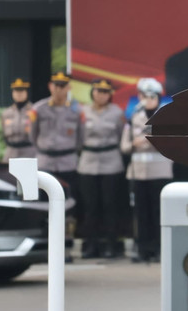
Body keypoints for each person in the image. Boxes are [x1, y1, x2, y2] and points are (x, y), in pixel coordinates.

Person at [120, 78, 172, 263]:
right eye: (143, 95)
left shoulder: (166, 116)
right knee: (141, 214)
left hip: (160, 172)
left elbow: (172, 145)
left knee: (159, 213)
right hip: (138, 173)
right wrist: (137, 142)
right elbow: (124, 147)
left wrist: (155, 140)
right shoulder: (133, 116)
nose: (147, 99)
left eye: (151, 96)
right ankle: (142, 249)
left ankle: (159, 249)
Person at [77, 79, 126, 259]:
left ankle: (110, 245)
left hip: (110, 161)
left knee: (109, 205)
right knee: (90, 207)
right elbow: (77, 137)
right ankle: (91, 245)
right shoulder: (83, 111)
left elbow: (122, 135)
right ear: (92, 92)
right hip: (88, 161)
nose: (101, 95)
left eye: (105, 92)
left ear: (109, 94)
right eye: (98, 91)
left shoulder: (117, 112)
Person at [29, 72, 84, 212]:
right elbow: (32, 135)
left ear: (69, 88)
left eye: (63, 85)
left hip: (67, 161)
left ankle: (67, 229)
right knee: (43, 199)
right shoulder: (38, 109)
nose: (59, 89)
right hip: (45, 160)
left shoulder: (77, 110)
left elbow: (81, 137)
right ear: (50, 86)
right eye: (56, 85)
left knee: (68, 199)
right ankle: (43, 231)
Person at [1, 78, 36, 162]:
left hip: (30, 153)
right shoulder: (6, 113)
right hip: (11, 153)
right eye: (16, 91)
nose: (19, 94)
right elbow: (3, 134)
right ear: (13, 93)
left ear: (26, 92)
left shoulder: (34, 111)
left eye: (21, 91)